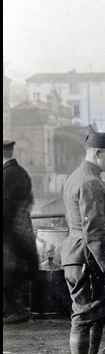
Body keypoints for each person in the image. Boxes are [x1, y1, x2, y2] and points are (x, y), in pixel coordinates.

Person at [60, 127, 105, 354]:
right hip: (88, 257)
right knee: (85, 315)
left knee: (97, 313)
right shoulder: (90, 182)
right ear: (97, 153)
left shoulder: (78, 176)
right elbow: (94, 231)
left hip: (79, 255)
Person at [3, 139, 39, 325]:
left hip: (10, 235)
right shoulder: (21, 173)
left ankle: (17, 310)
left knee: (9, 272)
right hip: (20, 230)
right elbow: (30, 203)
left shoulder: (7, 175)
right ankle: (14, 309)